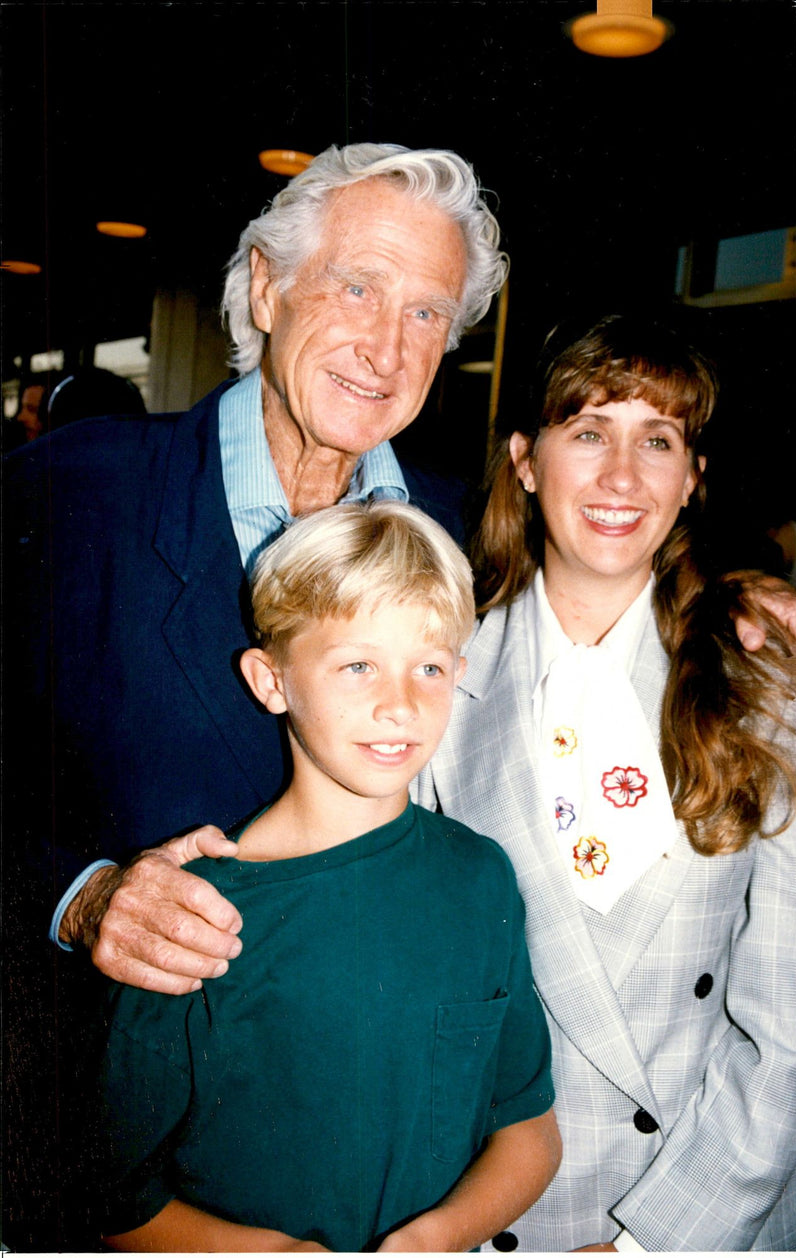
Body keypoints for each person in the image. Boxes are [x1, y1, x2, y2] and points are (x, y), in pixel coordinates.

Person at [1, 140, 507, 1250]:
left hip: (364, 1169)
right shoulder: (71, 496)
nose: (386, 346)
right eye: (358, 287)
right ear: (268, 290)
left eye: (427, 313)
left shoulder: (466, 534)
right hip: (98, 1169)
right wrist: (82, 895)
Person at [415, 313, 796, 1251]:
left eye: (657, 441)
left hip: (709, 1214)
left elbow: (788, 1026)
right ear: (526, 460)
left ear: (692, 478)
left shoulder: (766, 682)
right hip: (492, 1210)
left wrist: (649, 1245)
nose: (622, 478)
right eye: (588, 433)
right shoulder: (433, 680)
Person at [97, 500, 561, 1253]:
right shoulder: (199, 913)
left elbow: (529, 1129)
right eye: (357, 665)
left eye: (430, 667)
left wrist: (433, 1239)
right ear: (271, 679)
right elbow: (112, 1189)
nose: (400, 703)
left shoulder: (481, 879)